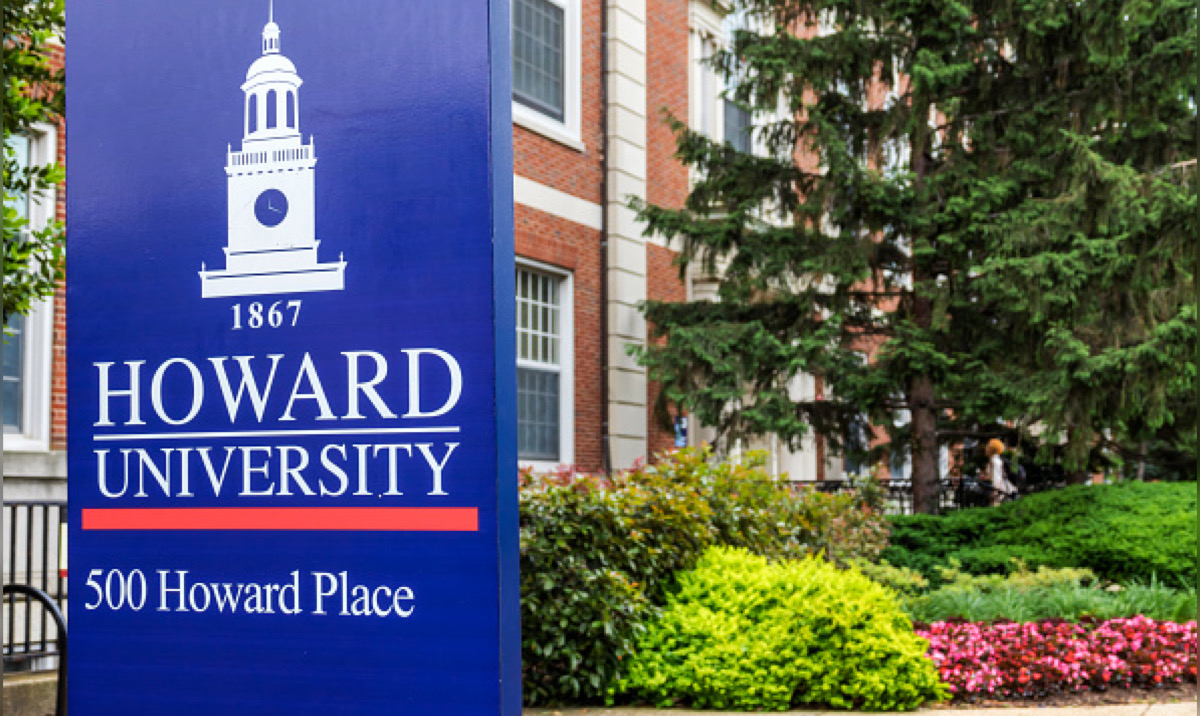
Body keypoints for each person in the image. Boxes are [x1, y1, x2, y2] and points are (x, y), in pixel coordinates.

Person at [981, 438, 1018, 505]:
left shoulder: (994, 461)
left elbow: (996, 480)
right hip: (1004, 492)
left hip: (1001, 494)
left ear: (993, 449)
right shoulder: (996, 459)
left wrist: (995, 496)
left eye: (988, 446)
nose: (985, 448)